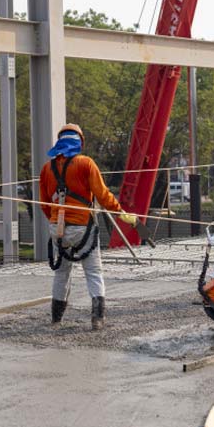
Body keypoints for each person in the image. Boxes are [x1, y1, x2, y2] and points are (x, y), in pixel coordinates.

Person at [38, 123, 138, 330]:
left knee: (61, 272)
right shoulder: (86, 164)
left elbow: (44, 203)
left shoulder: (47, 168)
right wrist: (120, 211)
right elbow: (102, 195)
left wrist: (55, 220)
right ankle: (97, 319)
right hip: (82, 227)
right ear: (80, 142)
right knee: (93, 272)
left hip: (57, 228)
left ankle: (56, 319)